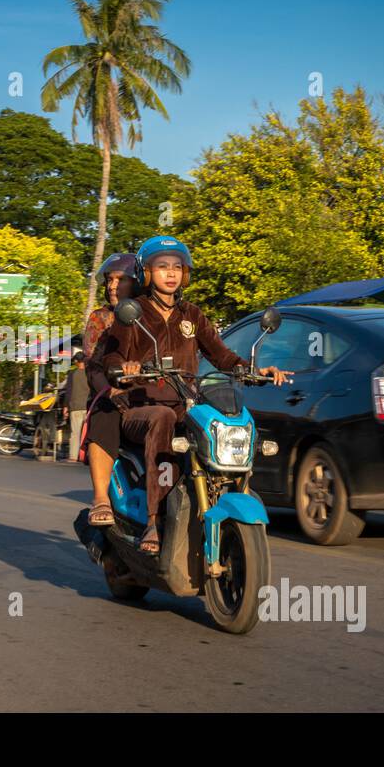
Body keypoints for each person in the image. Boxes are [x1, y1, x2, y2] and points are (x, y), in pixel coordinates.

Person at [95, 235, 290, 555]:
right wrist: (125, 367)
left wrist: (256, 370)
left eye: (176, 267)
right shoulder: (133, 312)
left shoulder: (193, 315)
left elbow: (222, 356)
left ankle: (228, 493)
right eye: (161, 267)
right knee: (163, 418)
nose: (170, 273)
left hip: (185, 402)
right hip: (142, 407)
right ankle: (154, 522)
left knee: (229, 421)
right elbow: (111, 359)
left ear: (184, 274)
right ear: (147, 273)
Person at [81, 253, 138, 526]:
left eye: (121, 280)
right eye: (110, 280)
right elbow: (92, 366)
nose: (113, 286)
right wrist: (109, 391)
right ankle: (101, 497)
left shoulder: (151, 314)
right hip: (110, 394)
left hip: (147, 393)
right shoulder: (100, 318)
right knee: (105, 416)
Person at [63, 352, 89, 462]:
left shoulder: (72, 374)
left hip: (75, 407)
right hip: (89, 406)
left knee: (75, 433)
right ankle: (86, 456)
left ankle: (73, 456)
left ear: (77, 362)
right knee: (88, 433)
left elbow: (68, 391)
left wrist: (65, 406)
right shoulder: (90, 373)